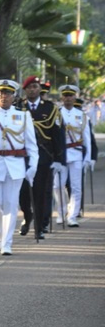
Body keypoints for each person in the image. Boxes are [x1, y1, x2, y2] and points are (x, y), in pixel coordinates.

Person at [0, 80, 38, 255]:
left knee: (10, 204)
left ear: (14, 96)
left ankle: (7, 242)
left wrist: (33, 165)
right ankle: (0, 232)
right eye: (1, 93)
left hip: (14, 164)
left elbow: (32, 145)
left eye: (8, 93)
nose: (4, 96)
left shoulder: (23, 116)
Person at [18, 76, 65, 238]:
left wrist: (59, 159)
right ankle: (27, 215)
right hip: (22, 157)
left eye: (35, 87)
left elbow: (58, 135)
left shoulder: (50, 109)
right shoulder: (18, 107)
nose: (33, 89)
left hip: (44, 156)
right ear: (25, 90)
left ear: (40, 89)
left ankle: (39, 227)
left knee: (41, 193)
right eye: (29, 87)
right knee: (22, 193)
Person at [55, 85, 91, 227]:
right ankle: (61, 211)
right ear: (61, 97)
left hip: (76, 153)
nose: (68, 98)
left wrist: (88, 157)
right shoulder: (56, 114)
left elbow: (86, 137)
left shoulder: (81, 115)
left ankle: (73, 215)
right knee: (57, 186)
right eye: (65, 95)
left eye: (70, 95)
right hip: (61, 155)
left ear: (74, 97)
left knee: (76, 187)